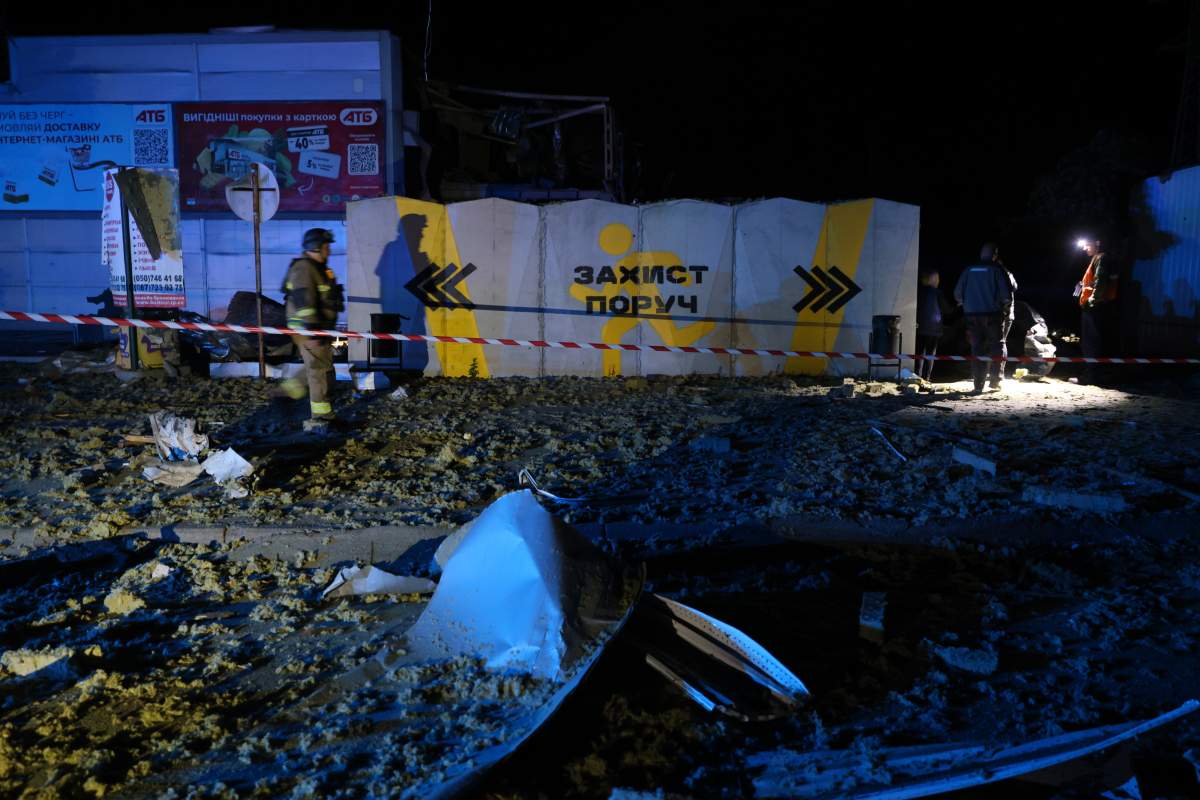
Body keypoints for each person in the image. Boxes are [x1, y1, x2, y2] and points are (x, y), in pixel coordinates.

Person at [281, 228, 345, 430]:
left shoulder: (319, 268)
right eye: (326, 246)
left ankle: (288, 391)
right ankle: (321, 415)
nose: (329, 250)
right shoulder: (305, 268)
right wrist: (312, 330)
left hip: (319, 328)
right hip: (309, 329)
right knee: (319, 369)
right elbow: (305, 302)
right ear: (315, 246)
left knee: (319, 365)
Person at [953, 243, 1013, 394]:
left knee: (977, 348)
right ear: (995, 255)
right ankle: (995, 381)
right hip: (992, 315)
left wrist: (966, 304)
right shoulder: (997, 270)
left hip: (972, 316)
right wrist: (1005, 308)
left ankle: (978, 384)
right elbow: (1007, 295)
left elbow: (957, 293)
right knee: (997, 346)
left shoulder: (969, 270)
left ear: (981, 255)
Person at [1075, 238, 1118, 384]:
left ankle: (1090, 375)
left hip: (1095, 306)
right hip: (1098, 305)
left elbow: (1100, 281)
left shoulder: (1101, 258)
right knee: (1094, 339)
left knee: (1091, 341)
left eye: (1088, 245)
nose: (1085, 248)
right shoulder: (1099, 258)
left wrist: (1092, 300)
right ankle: (1094, 374)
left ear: (1097, 243)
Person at [915, 269, 948, 381]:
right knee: (930, 355)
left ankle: (917, 378)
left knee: (919, 354)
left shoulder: (919, 292)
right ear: (933, 279)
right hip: (933, 329)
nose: (938, 280)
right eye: (937, 278)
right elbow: (946, 309)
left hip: (919, 328)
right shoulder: (937, 293)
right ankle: (926, 379)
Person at [994, 247, 1018, 380]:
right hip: (1005, 313)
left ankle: (998, 374)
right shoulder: (1008, 274)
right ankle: (997, 373)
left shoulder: (1003, 274)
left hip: (1004, 314)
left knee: (1000, 342)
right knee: (1000, 342)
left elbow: (1010, 291)